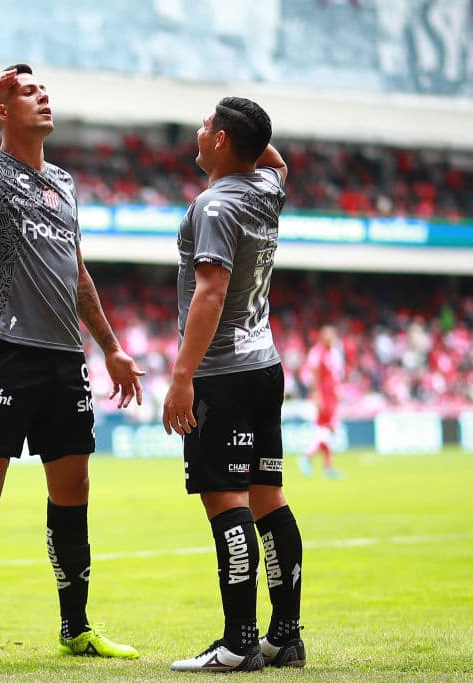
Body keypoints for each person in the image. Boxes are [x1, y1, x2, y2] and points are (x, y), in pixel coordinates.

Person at [0, 63, 145, 668]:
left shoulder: (65, 184)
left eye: (46, 92)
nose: (43, 99)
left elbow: (77, 272)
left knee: (74, 489)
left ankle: (76, 628)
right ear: (1, 109)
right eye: (27, 93)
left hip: (66, 360)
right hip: (8, 353)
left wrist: (111, 346)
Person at [161, 97, 306, 672]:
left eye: (205, 126)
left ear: (221, 141)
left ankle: (239, 642)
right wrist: (247, 143)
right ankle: (284, 636)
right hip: (264, 365)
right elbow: (274, 159)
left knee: (227, 503)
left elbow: (212, 293)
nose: (197, 132)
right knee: (270, 498)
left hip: (220, 373)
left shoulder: (214, 206)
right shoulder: (268, 188)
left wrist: (181, 377)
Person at [299, 325, 344, 479]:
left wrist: (337, 391)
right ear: (324, 337)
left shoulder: (331, 352)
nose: (333, 339)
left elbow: (334, 376)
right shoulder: (317, 353)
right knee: (326, 429)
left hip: (331, 395)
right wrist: (317, 396)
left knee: (326, 431)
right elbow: (314, 376)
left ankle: (328, 467)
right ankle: (307, 457)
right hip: (324, 396)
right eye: (330, 336)